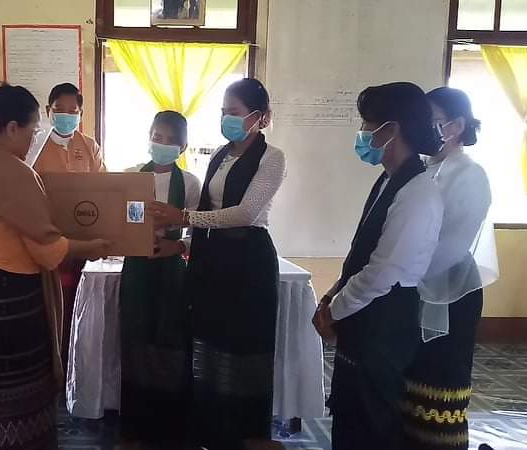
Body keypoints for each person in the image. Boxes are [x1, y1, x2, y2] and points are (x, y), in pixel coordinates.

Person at [0, 83, 111, 450]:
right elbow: (48, 250)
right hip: (9, 300)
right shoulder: (16, 174)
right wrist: (93, 247)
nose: (34, 138)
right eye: (32, 130)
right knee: (21, 394)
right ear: (12, 128)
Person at [149, 78, 286, 450]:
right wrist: (182, 244)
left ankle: (245, 434)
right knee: (210, 345)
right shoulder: (220, 156)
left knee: (242, 349)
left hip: (248, 262)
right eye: (224, 112)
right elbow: (210, 212)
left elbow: (244, 213)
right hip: (213, 261)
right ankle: (212, 430)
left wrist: (184, 217)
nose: (227, 119)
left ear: (259, 117)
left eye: (235, 112)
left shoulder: (272, 158)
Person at [312, 82, 444, 450]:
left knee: (372, 421)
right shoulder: (389, 180)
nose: (363, 133)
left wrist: (333, 310)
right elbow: (361, 253)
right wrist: (332, 295)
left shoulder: (418, 192)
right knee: (351, 413)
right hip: (365, 317)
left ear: (392, 129)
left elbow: (384, 271)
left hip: (385, 321)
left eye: (368, 124)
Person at [402, 87, 498, 450]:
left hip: (452, 291)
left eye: (431, 121)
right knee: (410, 381)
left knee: (440, 383)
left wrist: (401, 275)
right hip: (414, 286)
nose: (422, 128)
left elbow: (451, 246)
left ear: (456, 126)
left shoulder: (470, 175)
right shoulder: (426, 168)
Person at [119, 111, 201, 448]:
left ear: (183, 146)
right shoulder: (130, 176)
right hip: (137, 270)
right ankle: (135, 428)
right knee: (135, 340)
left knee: (170, 342)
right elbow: (118, 221)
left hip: (172, 272)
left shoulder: (191, 183)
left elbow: (199, 230)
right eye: (157, 137)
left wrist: (176, 246)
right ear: (149, 137)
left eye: (171, 140)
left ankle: (170, 427)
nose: (162, 144)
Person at [33, 82, 106, 377]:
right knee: (51, 306)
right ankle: (52, 366)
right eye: (59, 110)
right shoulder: (35, 146)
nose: (66, 115)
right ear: (48, 111)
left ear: (81, 114)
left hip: (84, 241)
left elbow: (103, 188)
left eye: (72, 111)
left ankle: (78, 367)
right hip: (47, 240)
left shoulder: (89, 146)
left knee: (81, 304)